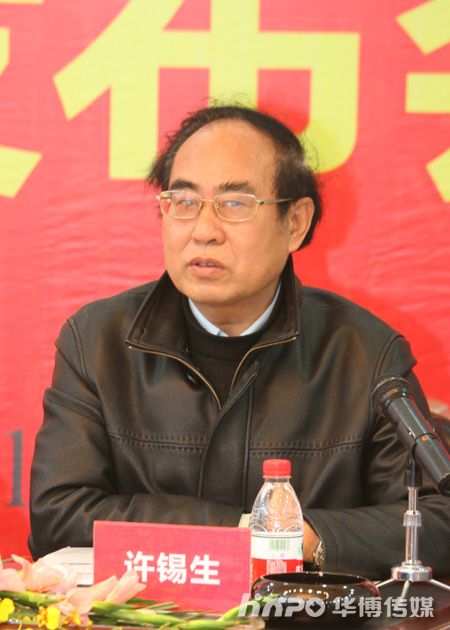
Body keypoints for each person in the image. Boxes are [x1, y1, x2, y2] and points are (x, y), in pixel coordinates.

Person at [29, 105, 449, 578]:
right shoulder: (98, 341)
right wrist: (250, 532)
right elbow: (58, 517)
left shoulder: (364, 352)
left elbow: (438, 521)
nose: (204, 231)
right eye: (184, 201)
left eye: (234, 204)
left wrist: (305, 538)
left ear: (295, 223)